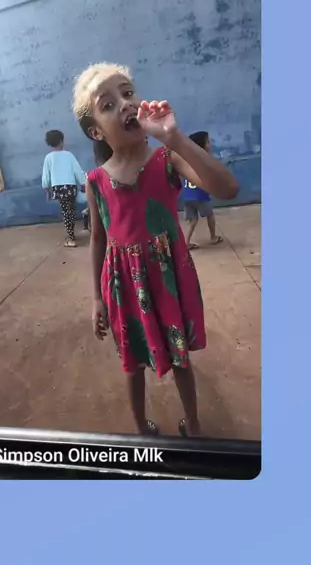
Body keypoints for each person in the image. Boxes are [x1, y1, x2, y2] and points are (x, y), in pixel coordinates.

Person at [72, 62, 239, 437]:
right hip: (124, 285)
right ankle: (140, 426)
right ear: (96, 130)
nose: (126, 104)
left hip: (168, 278)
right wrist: (97, 297)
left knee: (180, 358)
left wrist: (175, 138)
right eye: (108, 104)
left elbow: (227, 188)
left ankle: (192, 424)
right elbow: (98, 239)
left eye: (128, 93)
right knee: (132, 363)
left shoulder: (168, 158)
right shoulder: (96, 181)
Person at [41, 129, 86, 248]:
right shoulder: (68, 155)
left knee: (66, 211)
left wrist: (46, 188)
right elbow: (77, 170)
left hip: (58, 188)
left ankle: (71, 238)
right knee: (71, 210)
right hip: (71, 187)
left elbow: (46, 176)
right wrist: (83, 183)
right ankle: (71, 234)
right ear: (61, 141)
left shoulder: (48, 158)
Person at [183, 131, 223, 250]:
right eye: (208, 142)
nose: (210, 144)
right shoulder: (204, 159)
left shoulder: (187, 159)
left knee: (193, 220)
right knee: (210, 215)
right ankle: (213, 237)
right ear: (201, 145)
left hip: (187, 196)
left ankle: (186, 242)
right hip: (200, 195)